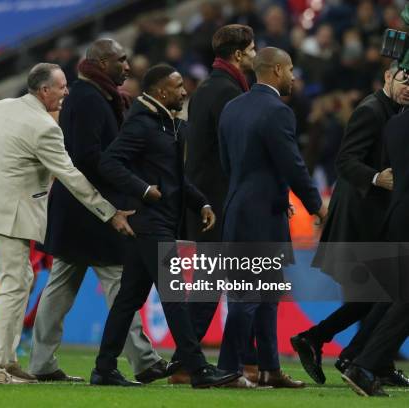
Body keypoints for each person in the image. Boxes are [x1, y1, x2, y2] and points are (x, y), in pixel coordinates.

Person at [0, 63, 135, 385]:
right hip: (10, 215)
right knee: (12, 286)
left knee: (19, 280)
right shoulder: (45, 127)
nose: (67, 91)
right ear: (44, 91)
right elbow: (71, 177)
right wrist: (109, 212)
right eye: (62, 86)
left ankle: (8, 361)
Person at [91, 64, 239, 388]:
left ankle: (104, 368)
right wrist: (142, 189)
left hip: (160, 223)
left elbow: (175, 178)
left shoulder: (166, 125)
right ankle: (198, 369)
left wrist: (200, 202)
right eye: (178, 86)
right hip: (151, 223)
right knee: (174, 296)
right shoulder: (142, 125)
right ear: (161, 92)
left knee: (128, 300)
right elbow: (108, 162)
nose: (184, 91)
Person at [30, 39, 167, 383]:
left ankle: (43, 363)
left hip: (79, 206)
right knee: (122, 283)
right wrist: (128, 183)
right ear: (102, 62)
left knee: (62, 288)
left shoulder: (97, 96)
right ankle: (145, 361)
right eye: (120, 60)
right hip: (91, 207)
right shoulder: (90, 99)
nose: (127, 66)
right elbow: (88, 157)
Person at [291, 61, 409, 386]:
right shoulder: (371, 110)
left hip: (376, 214)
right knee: (384, 295)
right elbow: (345, 160)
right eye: (404, 79)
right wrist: (375, 177)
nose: (408, 87)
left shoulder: (394, 112)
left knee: (381, 295)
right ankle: (350, 355)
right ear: (388, 76)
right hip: (361, 215)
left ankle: (330, 344)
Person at [217, 47, 326, 388]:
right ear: (277, 70)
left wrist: (272, 195)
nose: (294, 76)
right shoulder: (278, 111)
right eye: (291, 69)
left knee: (266, 295)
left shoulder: (232, 108)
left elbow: (228, 164)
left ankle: (269, 368)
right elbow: (291, 164)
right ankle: (229, 369)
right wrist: (317, 206)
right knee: (249, 296)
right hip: (261, 217)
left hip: (242, 209)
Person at [173, 24, 257, 386]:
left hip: (208, 198)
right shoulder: (227, 92)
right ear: (238, 54)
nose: (255, 54)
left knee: (236, 284)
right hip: (220, 201)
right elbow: (233, 150)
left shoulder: (210, 87)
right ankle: (184, 363)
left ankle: (248, 361)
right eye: (252, 49)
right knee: (211, 286)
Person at [342, 105, 409, 397]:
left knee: (394, 296)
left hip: (398, 214)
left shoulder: (395, 124)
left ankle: (358, 357)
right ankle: (364, 364)